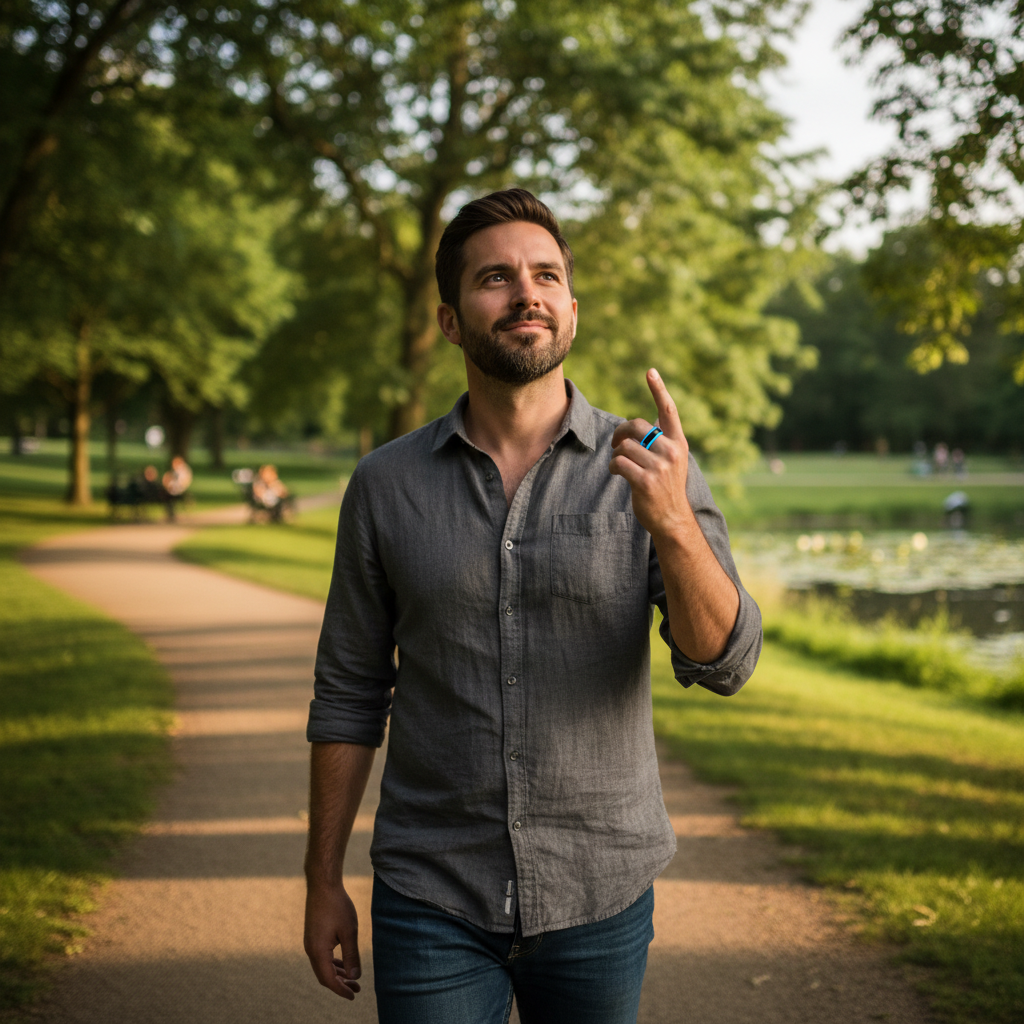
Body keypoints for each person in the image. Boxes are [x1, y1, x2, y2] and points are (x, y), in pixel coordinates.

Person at [304, 188, 762, 1024]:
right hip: (430, 892)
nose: (526, 293)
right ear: (450, 321)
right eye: (496, 278)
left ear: (571, 310)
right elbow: (347, 693)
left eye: (546, 275)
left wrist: (673, 528)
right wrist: (322, 879)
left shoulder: (651, 467)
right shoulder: (384, 486)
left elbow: (721, 660)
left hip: (601, 895)